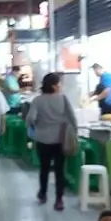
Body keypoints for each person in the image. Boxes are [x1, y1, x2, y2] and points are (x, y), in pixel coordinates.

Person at [26, 72, 77, 211]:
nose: (60, 86)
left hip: (42, 140)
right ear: (54, 86)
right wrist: (75, 132)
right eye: (59, 83)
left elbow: (30, 118)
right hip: (60, 140)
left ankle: (43, 194)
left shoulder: (38, 100)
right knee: (60, 170)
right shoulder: (63, 99)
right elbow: (72, 118)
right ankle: (59, 200)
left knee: (44, 168)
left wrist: (36, 127)